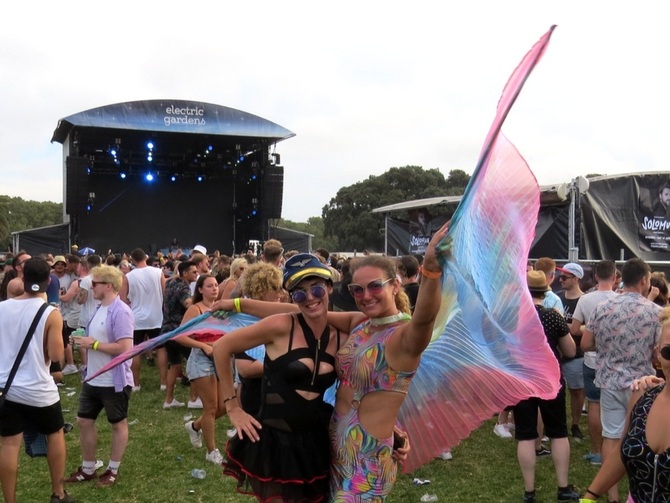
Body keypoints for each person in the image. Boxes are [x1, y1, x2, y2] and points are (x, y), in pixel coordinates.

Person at [214, 220, 449, 500]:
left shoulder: (403, 336)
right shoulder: (360, 325)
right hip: (330, 447)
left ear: (396, 285)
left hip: (366, 456)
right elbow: (302, 310)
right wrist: (238, 303)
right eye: (357, 290)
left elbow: (424, 319)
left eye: (375, 286)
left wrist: (431, 271)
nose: (365, 295)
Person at [212, 253, 345, 501]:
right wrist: (232, 406)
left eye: (317, 288)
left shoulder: (342, 332)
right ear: (292, 297)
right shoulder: (281, 326)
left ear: (329, 287)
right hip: (274, 444)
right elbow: (221, 348)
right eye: (300, 293)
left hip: (315, 442)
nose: (310, 298)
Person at [581, 257, 661, 503]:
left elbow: (585, 344)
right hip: (642, 385)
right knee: (641, 440)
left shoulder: (602, 307)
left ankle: (611, 494)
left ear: (621, 278)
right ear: (645, 280)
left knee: (612, 437)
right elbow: (658, 354)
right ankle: (633, 493)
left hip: (610, 382)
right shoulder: (655, 312)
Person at [0, 258, 74, 503]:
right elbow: (55, 356)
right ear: (48, 280)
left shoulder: (2, 308)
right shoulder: (50, 313)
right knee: (55, 434)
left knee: (9, 446)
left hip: (6, 389)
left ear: (22, 278)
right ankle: (58, 493)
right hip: (38, 389)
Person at [65, 265, 134, 488]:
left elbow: (125, 347)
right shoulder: (98, 308)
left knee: (117, 424)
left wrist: (92, 344)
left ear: (109, 285)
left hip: (113, 381)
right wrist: (82, 341)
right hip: (92, 378)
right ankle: (88, 468)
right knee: (84, 421)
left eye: (94, 283)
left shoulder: (121, 311)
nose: (90, 286)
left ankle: (112, 470)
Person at [513, 271, 579, 503]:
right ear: (545, 290)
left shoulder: (513, 317)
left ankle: (529, 492)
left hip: (521, 379)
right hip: (550, 379)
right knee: (558, 432)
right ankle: (563, 488)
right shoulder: (553, 316)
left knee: (525, 435)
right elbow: (570, 351)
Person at [179, 274, 227, 465]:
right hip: (201, 360)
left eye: (216, 285)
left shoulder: (221, 308)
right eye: (209, 286)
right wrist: (203, 346)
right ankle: (211, 451)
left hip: (221, 359)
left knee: (224, 406)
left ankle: (194, 426)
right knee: (211, 408)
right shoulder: (195, 309)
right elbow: (180, 336)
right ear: (200, 289)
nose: (214, 288)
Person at [120, 248, 166, 391]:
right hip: (156, 317)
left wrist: (132, 303)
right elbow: (165, 293)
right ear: (145, 258)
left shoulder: (128, 276)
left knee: (136, 351)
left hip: (137, 319)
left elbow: (122, 298)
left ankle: (136, 383)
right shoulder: (158, 272)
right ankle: (164, 383)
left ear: (132, 260)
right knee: (161, 349)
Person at [555, 262, 586, 441]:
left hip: (576, 353)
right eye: (560, 276)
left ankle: (575, 424)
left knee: (576, 390)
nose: (561, 280)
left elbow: (588, 327)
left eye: (565, 277)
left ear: (576, 279)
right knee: (556, 391)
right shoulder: (558, 297)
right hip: (556, 353)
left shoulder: (584, 301)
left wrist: (563, 324)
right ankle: (558, 423)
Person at [160, 261, 197, 409]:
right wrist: (200, 300)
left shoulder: (171, 283)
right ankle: (194, 399)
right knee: (194, 362)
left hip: (167, 329)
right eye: (193, 272)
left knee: (174, 365)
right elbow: (188, 304)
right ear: (185, 274)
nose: (196, 274)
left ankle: (168, 400)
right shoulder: (183, 287)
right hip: (179, 330)